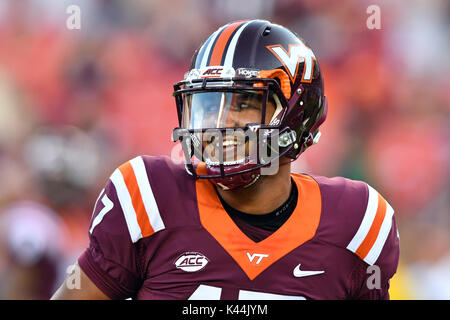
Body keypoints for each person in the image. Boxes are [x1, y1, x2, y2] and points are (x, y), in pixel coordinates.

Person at [51, 19, 399, 300]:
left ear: (296, 115)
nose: (221, 123)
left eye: (244, 104)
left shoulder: (357, 223)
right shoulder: (149, 195)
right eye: (209, 105)